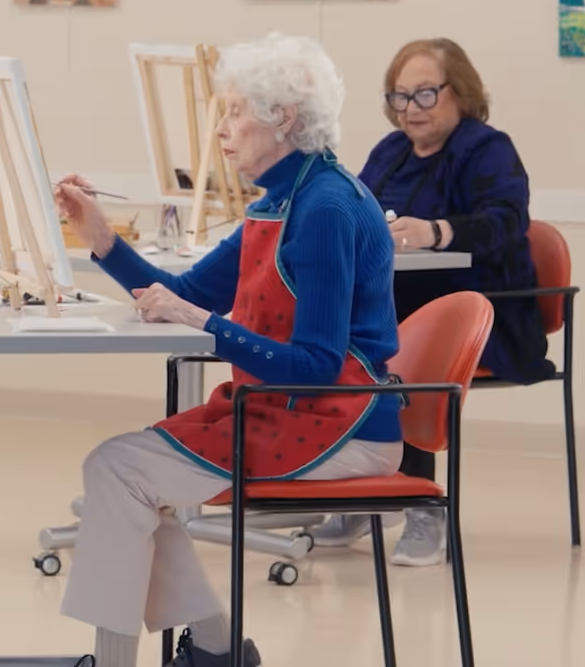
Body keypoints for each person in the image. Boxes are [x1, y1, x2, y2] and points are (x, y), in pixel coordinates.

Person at [53, 34, 400, 667]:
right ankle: (216, 649)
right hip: (288, 408)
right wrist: (100, 238)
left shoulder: (324, 208)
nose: (222, 130)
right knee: (123, 473)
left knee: (119, 470)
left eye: (236, 111)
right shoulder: (283, 199)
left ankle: (189, 652)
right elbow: (182, 293)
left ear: (283, 119)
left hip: (341, 424)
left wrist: (205, 321)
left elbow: (319, 368)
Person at [312, 37, 547, 567]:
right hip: (401, 301)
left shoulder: (488, 148)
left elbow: (508, 222)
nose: (410, 109)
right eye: (399, 96)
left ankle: (421, 505)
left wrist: (436, 233)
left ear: (458, 92)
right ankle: (360, 484)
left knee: (398, 347)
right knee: (334, 335)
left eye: (423, 94)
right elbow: (356, 210)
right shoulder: (391, 153)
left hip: (485, 312)